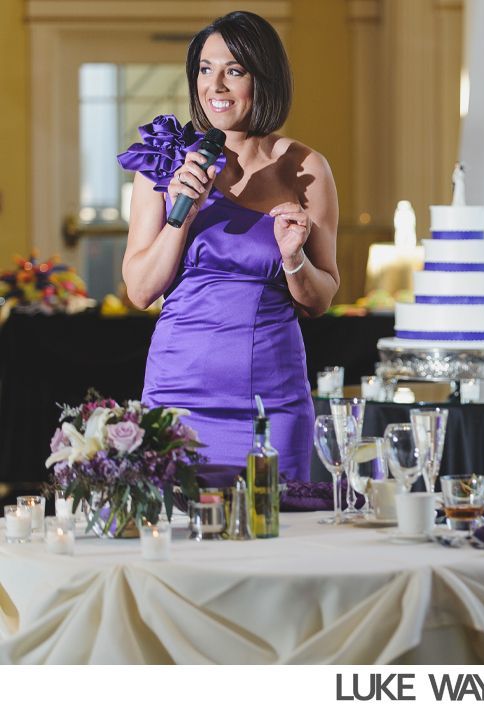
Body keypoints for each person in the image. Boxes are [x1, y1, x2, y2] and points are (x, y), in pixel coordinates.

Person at [117, 11, 340, 481]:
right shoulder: (164, 163)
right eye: (205, 69)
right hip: (178, 398)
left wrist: (294, 258)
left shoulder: (305, 169)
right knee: (179, 525)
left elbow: (320, 299)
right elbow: (139, 291)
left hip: (271, 404)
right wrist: (182, 218)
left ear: (264, 78)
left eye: (233, 71)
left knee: (275, 524)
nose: (214, 85)